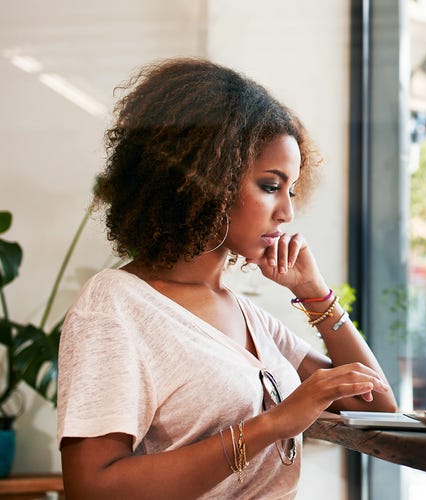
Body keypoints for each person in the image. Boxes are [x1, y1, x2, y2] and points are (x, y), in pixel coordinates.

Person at [57, 58, 397, 499]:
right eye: (271, 186)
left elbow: (377, 406)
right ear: (206, 180)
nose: (287, 212)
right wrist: (273, 424)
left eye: (291, 190)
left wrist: (315, 295)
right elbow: (92, 488)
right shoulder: (116, 304)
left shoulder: (248, 316)